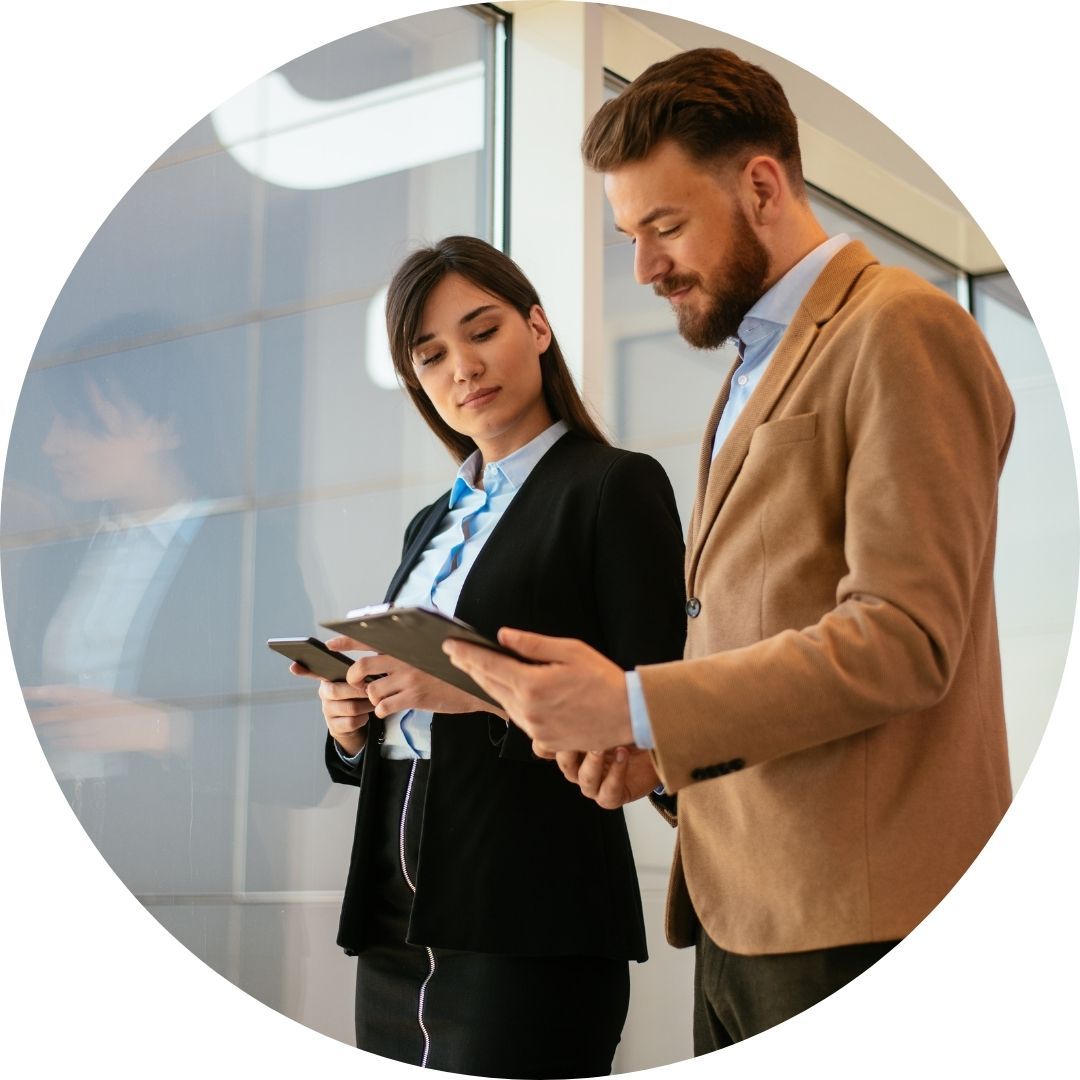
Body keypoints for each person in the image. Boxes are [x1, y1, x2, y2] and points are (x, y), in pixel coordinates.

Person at [444, 48, 1015, 1051]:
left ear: (761, 185)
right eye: (630, 236)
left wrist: (634, 701)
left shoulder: (901, 327)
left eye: (665, 227)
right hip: (741, 909)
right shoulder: (755, 363)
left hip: (858, 918)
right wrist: (655, 752)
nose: (644, 268)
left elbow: (905, 639)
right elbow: (760, 620)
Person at [291, 235, 686, 1078]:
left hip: (530, 902)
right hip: (396, 902)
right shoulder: (429, 523)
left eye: (482, 331)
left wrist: (468, 688)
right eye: (430, 356)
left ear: (537, 328)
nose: (462, 368)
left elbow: (654, 709)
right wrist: (354, 720)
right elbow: (413, 715)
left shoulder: (613, 486)